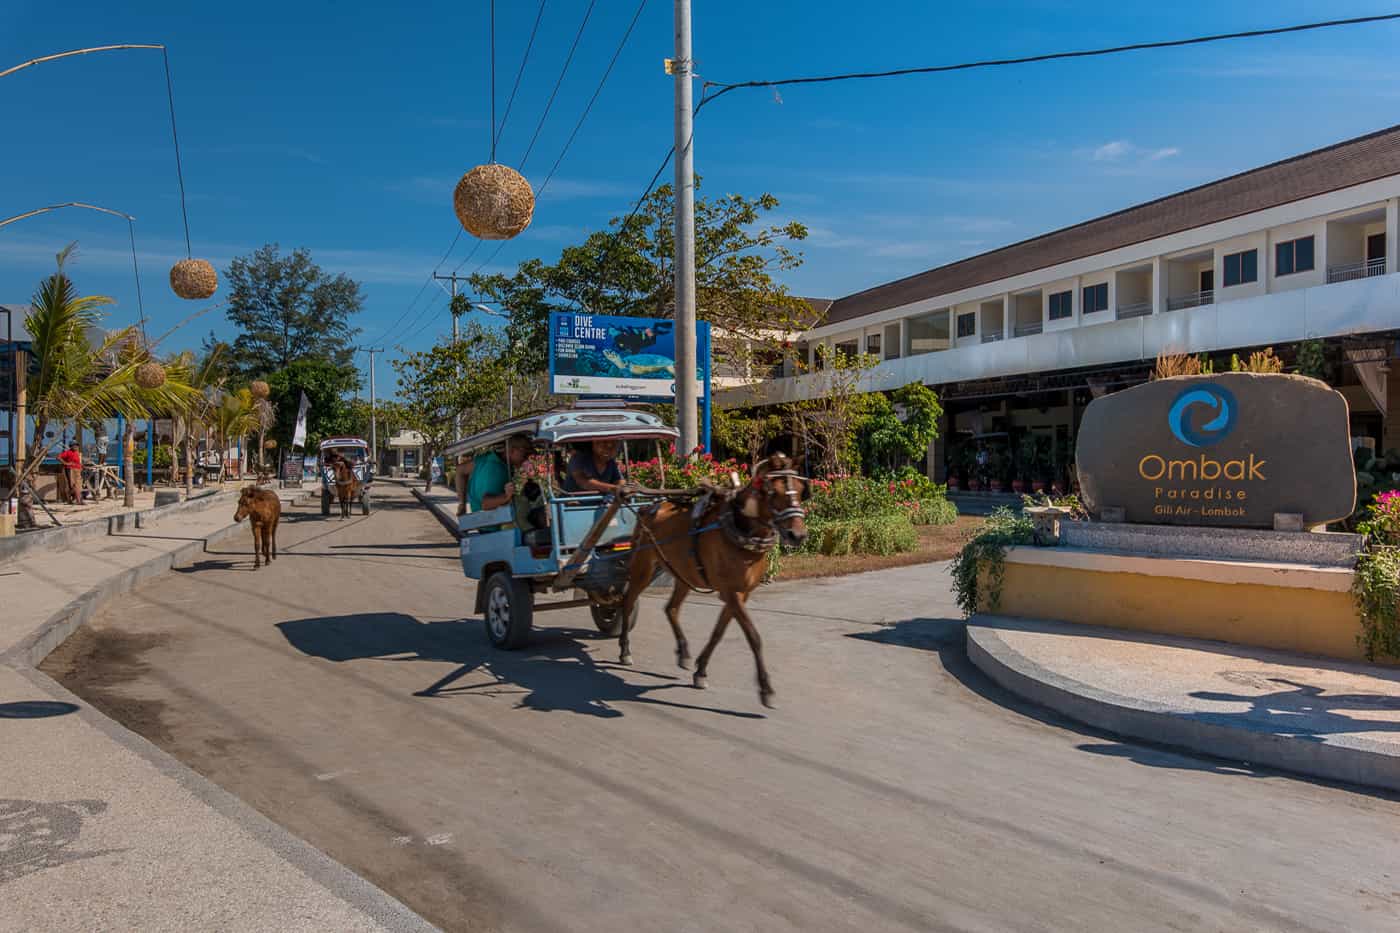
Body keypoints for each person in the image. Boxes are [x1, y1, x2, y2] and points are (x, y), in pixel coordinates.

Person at [467, 435, 533, 512]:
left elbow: (460, 469)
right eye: (525, 454)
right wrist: (506, 497)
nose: (526, 458)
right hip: (489, 521)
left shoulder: (494, 460)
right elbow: (486, 504)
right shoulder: (496, 469)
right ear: (512, 450)